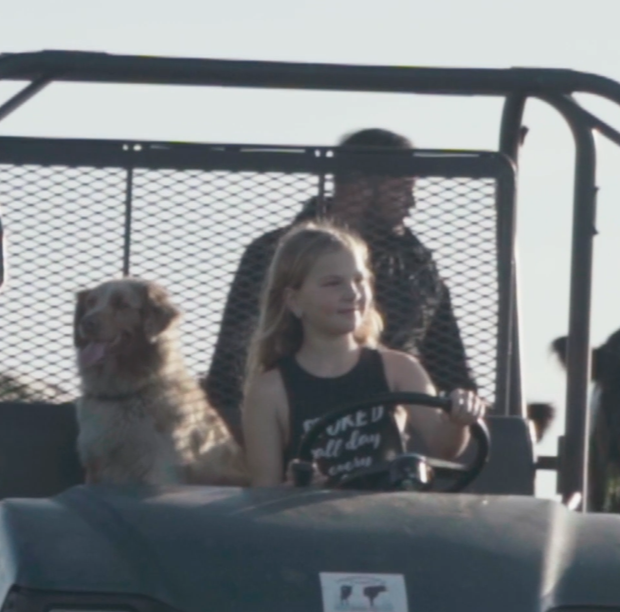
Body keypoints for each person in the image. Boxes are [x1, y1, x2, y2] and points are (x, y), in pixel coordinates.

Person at [205, 128, 473, 431]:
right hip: (291, 421)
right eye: (400, 190)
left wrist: (463, 410)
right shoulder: (274, 255)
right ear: (358, 186)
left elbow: (451, 365)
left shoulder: (416, 266)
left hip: (398, 428)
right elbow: (234, 359)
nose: (411, 204)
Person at [241, 223, 485, 488]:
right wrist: (297, 489)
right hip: (311, 526)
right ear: (294, 301)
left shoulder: (398, 369)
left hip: (386, 521)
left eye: (359, 280)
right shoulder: (269, 391)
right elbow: (264, 493)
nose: (352, 293)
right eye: (333, 283)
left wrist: (458, 420)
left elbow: (445, 448)